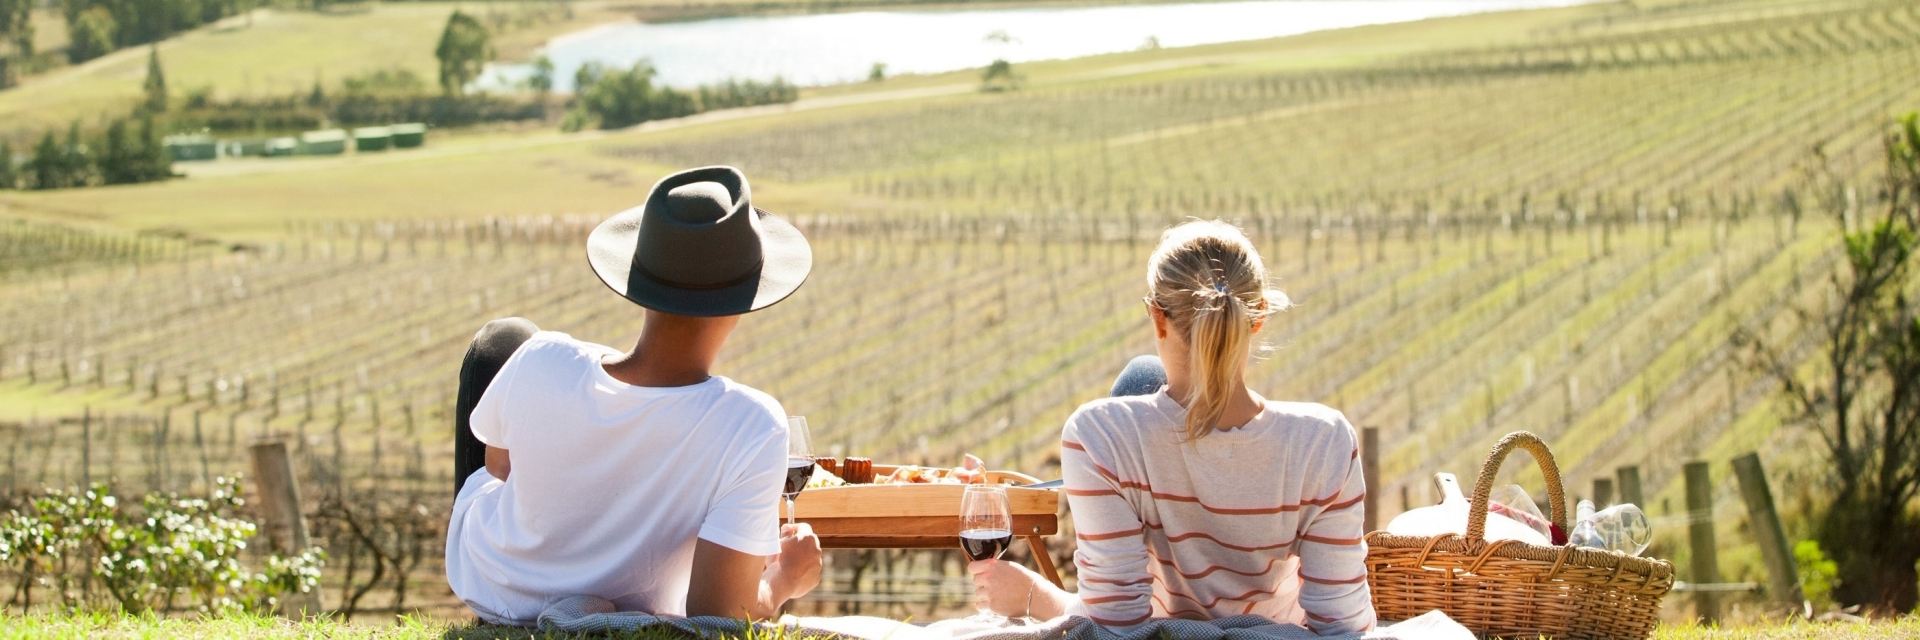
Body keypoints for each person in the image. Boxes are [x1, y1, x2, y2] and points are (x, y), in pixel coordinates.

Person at [444, 166, 823, 626]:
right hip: (629, 604)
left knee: (501, 341)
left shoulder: (541, 355)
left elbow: (498, 468)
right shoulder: (753, 424)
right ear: (747, 298)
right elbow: (720, 614)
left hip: (491, 583)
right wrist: (787, 578)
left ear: (639, 278)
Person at [969, 220, 1375, 635]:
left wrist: (1034, 596)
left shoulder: (1100, 436)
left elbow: (1114, 628)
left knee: (1140, 376)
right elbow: (1345, 628)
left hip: (1161, 614)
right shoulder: (1325, 440)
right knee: (1142, 376)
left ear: (1157, 318)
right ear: (1258, 319)